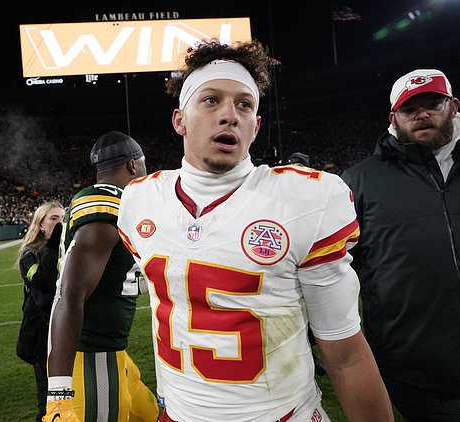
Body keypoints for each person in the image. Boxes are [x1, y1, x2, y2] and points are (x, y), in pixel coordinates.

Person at [116, 39, 393, 421]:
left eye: (244, 104)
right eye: (211, 100)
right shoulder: (140, 201)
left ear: (256, 125)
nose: (230, 114)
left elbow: (344, 355)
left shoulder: (304, 199)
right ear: (180, 119)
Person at [341, 69, 460, 421]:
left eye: (432, 104)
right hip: (416, 376)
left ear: (453, 106)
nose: (422, 115)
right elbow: (334, 274)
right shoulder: (359, 181)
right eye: (410, 109)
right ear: (394, 119)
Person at [45, 131, 159, 422]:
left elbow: (120, 277)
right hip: (92, 358)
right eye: (144, 164)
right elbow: (70, 294)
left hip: (114, 353)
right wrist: (59, 392)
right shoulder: (104, 202)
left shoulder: (118, 203)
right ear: (133, 166)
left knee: (150, 414)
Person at [15, 200, 65, 422]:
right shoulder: (29, 253)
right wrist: (54, 246)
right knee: (46, 393)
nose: (59, 223)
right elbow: (43, 282)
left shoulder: (69, 246)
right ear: (41, 223)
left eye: (62, 219)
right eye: (53, 219)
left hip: (65, 324)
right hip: (41, 329)